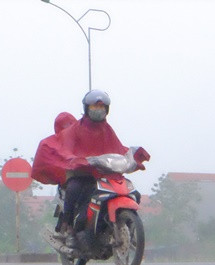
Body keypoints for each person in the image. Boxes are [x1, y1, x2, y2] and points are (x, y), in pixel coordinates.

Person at [31, 90, 147, 245]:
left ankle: (123, 226)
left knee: (134, 193)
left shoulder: (107, 130)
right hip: (81, 173)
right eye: (94, 107)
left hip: (104, 173)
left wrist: (133, 157)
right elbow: (64, 147)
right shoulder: (75, 129)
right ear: (86, 108)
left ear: (107, 109)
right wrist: (74, 159)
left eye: (101, 107)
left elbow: (118, 148)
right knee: (74, 188)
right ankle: (69, 227)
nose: (98, 111)